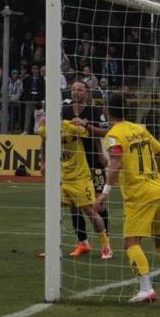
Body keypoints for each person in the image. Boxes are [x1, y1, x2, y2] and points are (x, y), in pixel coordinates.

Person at [97, 93, 160, 303]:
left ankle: (146, 289)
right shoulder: (140, 129)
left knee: (130, 243)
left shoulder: (114, 134)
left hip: (139, 194)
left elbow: (115, 163)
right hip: (157, 189)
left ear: (107, 110)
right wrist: (152, 176)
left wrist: (104, 193)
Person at [40, 117, 111, 260]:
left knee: (90, 211)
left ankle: (106, 246)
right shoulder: (45, 128)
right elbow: (43, 141)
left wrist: (84, 124)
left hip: (81, 177)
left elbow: (89, 133)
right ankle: (54, 248)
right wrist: (44, 161)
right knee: (55, 211)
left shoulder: (71, 127)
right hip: (64, 177)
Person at [63, 80, 110, 250]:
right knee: (74, 205)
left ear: (87, 93)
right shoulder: (64, 110)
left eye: (80, 89)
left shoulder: (95, 111)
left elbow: (105, 132)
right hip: (73, 165)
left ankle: (106, 241)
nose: (76, 92)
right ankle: (82, 242)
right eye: (74, 89)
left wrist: (86, 125)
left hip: (93, 161)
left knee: (97, 203)